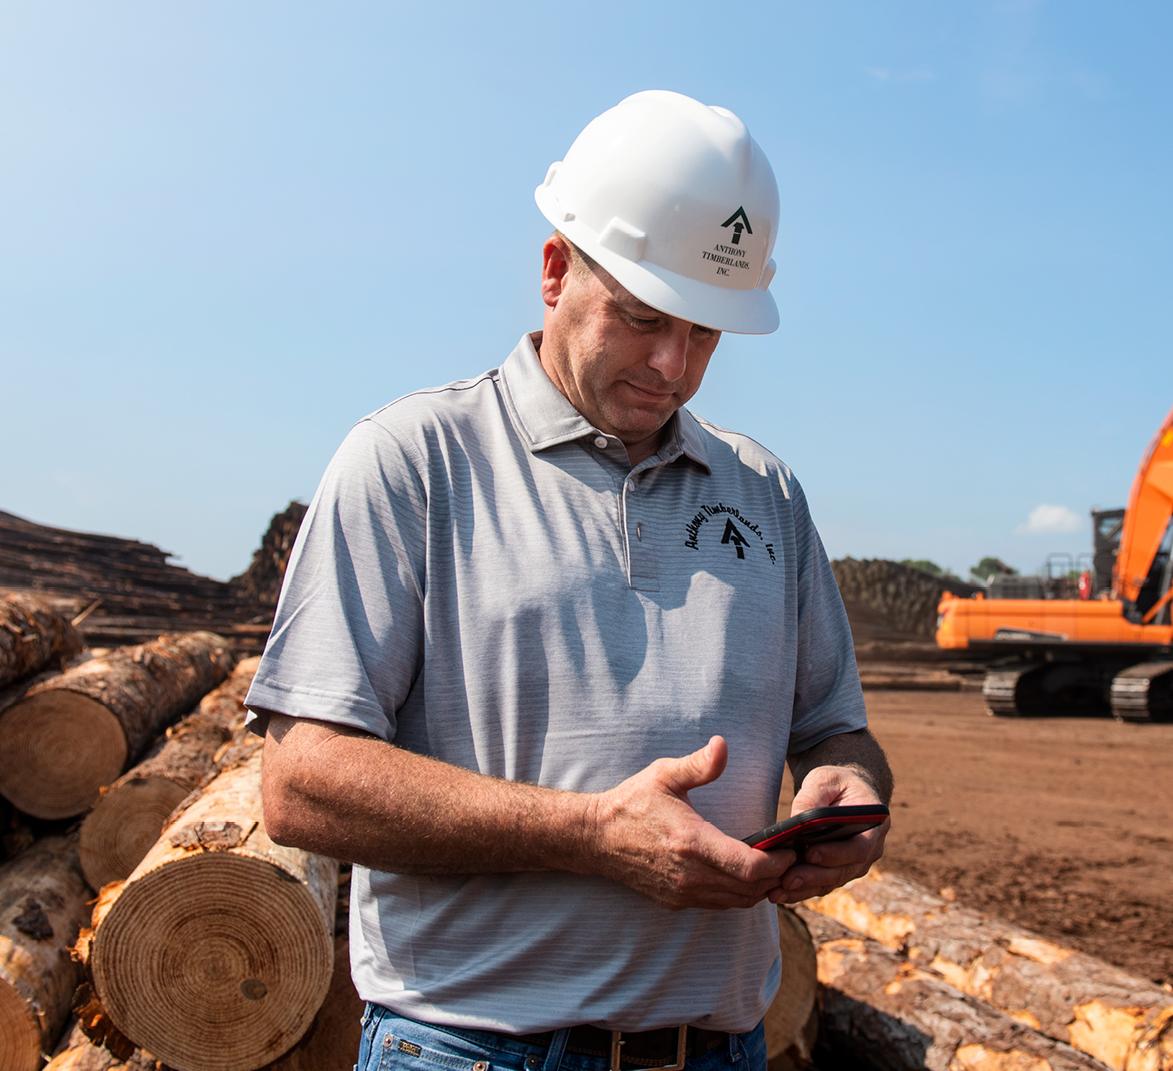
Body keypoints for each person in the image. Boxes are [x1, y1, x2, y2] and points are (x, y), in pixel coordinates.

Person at [247, 90, 891, 1071]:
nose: (673, 366)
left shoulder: (765, 495)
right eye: (642, 319)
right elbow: (302, 785)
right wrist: (595, 833)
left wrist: (849, 788)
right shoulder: (413, 463)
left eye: (707, 334)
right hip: (468, 1050)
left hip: (717, 1052)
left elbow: (833, 728)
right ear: (556, 272)